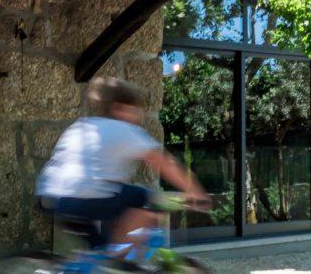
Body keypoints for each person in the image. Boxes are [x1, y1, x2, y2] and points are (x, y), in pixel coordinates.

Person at [36, 76, 210, 255]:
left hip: (53, 199)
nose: (139, 116)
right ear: (118, 108)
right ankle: (118, 258)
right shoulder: (124, 129)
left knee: (100, 250)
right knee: (145, 199)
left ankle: (102, 259)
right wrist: (195, 190)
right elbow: (165, 164)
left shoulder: (80, 126)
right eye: (135, 110)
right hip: (86, 199)